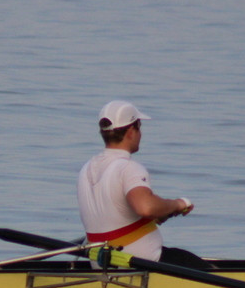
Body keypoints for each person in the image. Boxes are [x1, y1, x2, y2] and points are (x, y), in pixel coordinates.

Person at [77, 100, 206, 268]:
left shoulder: (86, 169)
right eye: (139, 127)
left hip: (101, 263)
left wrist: (157, 215)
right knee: (206, 270)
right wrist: (177, 204)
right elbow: (145, 208)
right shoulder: (128, 168)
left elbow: (114, 214)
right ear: (131, 131)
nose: (140, 134)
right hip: (140, 262)